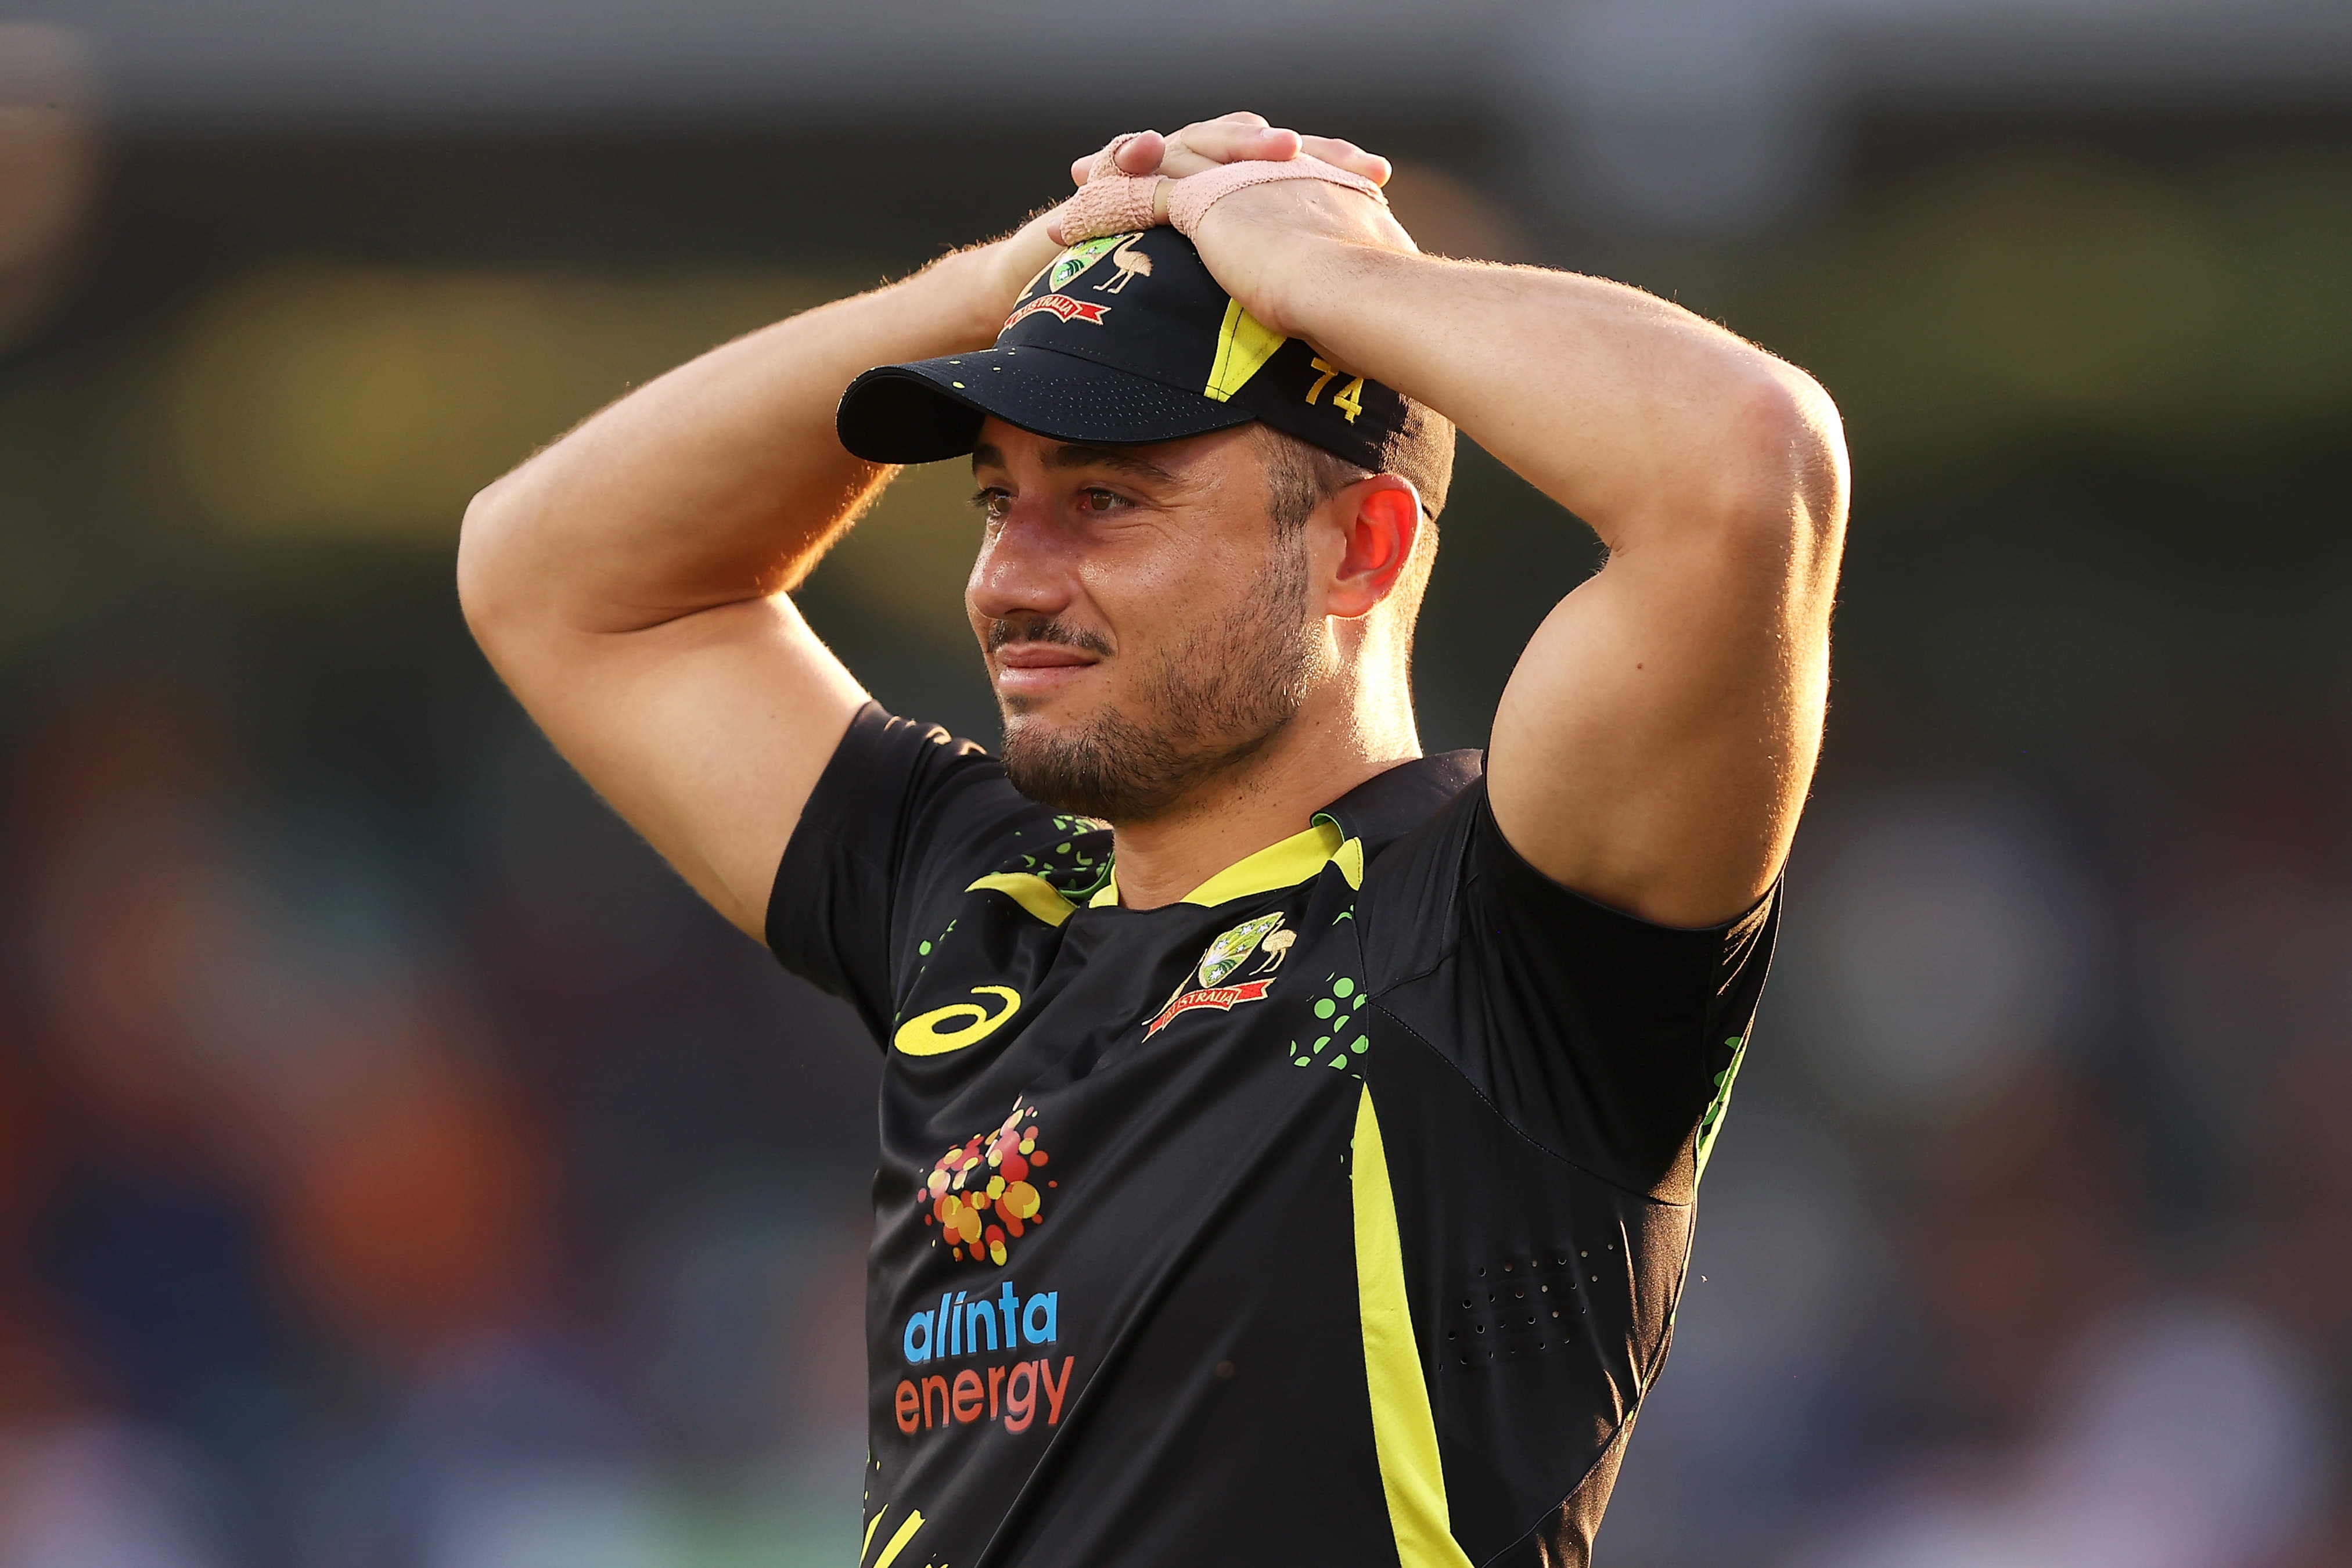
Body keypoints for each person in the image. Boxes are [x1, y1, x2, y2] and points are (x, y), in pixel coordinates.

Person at [457, 112, 1846, 1568]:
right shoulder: (979, 898)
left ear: (1361, 547)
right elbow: (550, 574)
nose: (1005, 577)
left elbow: (1747, 466)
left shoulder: (1505, 935)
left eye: (1106, 499)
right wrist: (1000, 283)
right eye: (998, 499)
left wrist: (1324, 273)